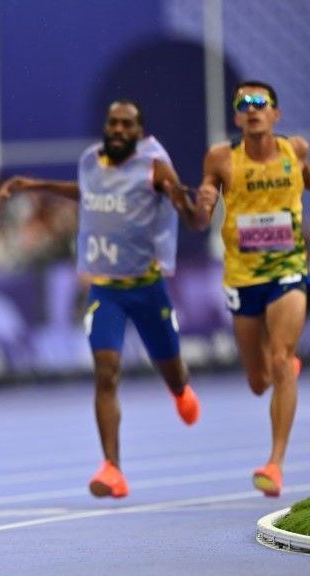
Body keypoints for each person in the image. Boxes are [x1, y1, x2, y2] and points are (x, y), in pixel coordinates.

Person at [0, 100, 202, 499]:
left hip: (147, 287)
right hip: (106, 289)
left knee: (173, 370)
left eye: (127, 124)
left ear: (140, 131)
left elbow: (182, 203)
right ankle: (112, 468)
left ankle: (180, 391)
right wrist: (36, 185)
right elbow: (87, 194)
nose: (119, 129)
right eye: (113, 123)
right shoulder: (92, 161)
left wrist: (183, 199)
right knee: (106, 372)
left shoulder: (155, 166)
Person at [193, 81, 310, 498]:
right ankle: (281, 370)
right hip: (243, 278)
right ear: (237, 117)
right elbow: (198, 220)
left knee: (280, 356)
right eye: (244, 103)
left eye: (261, 102)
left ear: (276, 114)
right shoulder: (222, 158)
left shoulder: (296, 151)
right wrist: (203, 202)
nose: (252, 108)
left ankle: (275, 464)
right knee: (259, 380)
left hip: (288, 270)